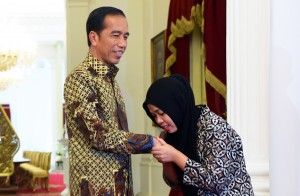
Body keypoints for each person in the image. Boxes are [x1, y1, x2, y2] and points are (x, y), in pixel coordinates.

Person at [64, 6, 159, 196]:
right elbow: (99, 135)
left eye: (125, 36)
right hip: (95, 189)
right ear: (94, 37)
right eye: (115, 35)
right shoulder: (80, 78)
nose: (122, 43)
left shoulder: (111, 80)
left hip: (120, 186)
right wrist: (150, 142)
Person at [143, 74, 254, 196]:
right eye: (154, 116)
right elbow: (175, 183)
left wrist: (174, 155)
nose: (158, 121)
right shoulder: (175, 132)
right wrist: (165, 158)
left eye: (161, 113)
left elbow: (215, 182)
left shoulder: (215, 128)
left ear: (177, 104)